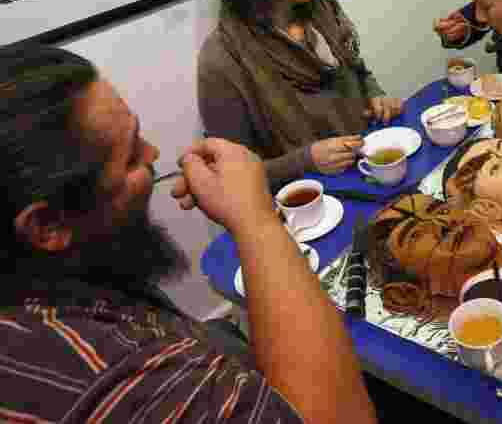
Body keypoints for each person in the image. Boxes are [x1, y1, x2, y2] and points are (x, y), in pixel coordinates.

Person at [0, 43, 376, 424]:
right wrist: (255, 219)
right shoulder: (124, 386)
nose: (153, 153)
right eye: (131, 157)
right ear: (47, 226)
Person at [197, 0, 402, 189]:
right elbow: (230, 176)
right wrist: (306, 160)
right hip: (307, 211)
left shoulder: (322, 7)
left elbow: (357, 70)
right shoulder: (222, 61)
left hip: (370, 173)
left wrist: (375, 94)